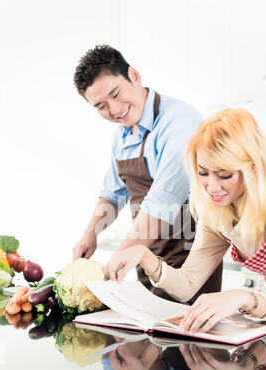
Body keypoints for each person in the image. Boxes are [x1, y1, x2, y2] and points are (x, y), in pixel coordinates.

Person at [105, 107, 266, 332]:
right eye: (203, 173)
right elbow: (187, 285)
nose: (213, 187)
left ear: (252, 168)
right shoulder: (217, 210)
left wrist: (239, 297)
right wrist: (145, 256)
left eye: (225, 175)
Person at [72, 44, 222, 302]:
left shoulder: (179, 122)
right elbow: (113, 192)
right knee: (149, 337)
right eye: (101, 106)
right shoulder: (122, 136)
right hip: (144, 257)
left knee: (185, 340)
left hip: (189, 261)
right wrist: (90, 233)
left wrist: (110, 267)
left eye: (116, 94)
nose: (115, 109)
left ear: (134, 76)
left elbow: (162, 204)